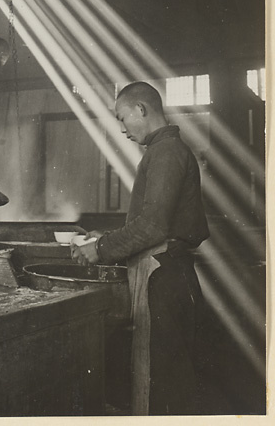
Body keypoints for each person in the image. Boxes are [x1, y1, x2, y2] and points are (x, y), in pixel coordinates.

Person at [72, 81, 209, 416]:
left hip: (162, 278)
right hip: (166, 273)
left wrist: (101, 249)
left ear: (141, 109)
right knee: (165, 379)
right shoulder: (165, 151)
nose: (122, 129)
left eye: (122, 118)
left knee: (157, 383)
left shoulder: (166, 152)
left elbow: (153, 227)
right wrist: (103, 235)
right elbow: (151, 221)